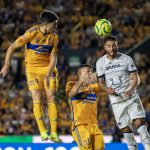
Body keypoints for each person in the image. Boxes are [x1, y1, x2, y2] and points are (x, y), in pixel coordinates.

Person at [0, 9, 60, 142]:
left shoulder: (54, 38)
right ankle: (43, 132)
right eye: (54, 24)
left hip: (48, 68)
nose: (55, 27)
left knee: (51, 96)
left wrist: (49, 73)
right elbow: (11, 47)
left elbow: (53, 58)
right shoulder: (31, 33)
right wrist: (6, 64)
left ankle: (54, 132)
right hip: (32, 70)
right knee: (37, 98)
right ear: (46, 24)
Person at [96, 36, 150, 150]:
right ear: (105, 47)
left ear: (117, 45)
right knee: (125, 128)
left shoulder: (126, 59)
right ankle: (132, 148)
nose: (112, 48)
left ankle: (148, 146)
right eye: (109, 46)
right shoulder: (100, 63)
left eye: (114, 45)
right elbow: (100, 83)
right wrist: (107, 89)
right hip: (116, 101)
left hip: (131, 96)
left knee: (140, 122)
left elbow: (135, 78)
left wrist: (130, 90)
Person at [66, 64, 104, 150]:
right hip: (80, 125)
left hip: (94, 125)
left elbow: (107, 88)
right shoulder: (71, 84)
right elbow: (71, 94)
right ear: (80, 73)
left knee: (100, 147)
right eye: (88, 71)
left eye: (92, 71)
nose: (91, 73)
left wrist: (99, 79)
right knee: (86, 147)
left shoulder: (93, 87)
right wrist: (81, 81)